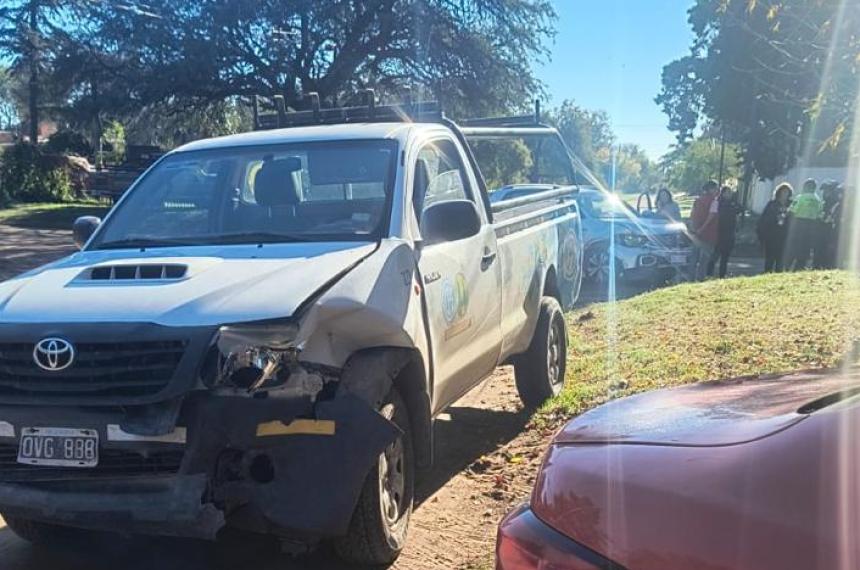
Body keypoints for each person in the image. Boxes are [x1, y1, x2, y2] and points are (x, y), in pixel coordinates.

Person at [785, 178, 823, 270]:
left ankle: (786, 267)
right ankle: (799, 268)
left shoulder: (800, 197)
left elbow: (791, 211)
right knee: (805, 249)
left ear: (805, 187)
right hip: (811, 226)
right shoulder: (818, 200)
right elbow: (820, 214)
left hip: (798, 224)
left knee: (793, 248)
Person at [757, 183, 792, 272]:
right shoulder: (772, 204)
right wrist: (775, 218)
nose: (785, 194)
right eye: (783, 192)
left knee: (780, 261)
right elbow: (764, 219)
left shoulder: (791, 205)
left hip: (784, 236)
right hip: (772, 236)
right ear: (778, 193)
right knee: (769, 259)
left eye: (787, 192)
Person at [689, 180, 720, 280]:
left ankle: (691, 277)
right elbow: (711, 217)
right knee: (704, 259)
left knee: (694, 257)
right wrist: (701, 229)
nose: (717, 190)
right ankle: (700, 278)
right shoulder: (714, 201)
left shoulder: (698, 200)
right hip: (708, 233)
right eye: (716, 188)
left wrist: (694, 229)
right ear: (711, 189)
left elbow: (692, 215)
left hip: (696, 232)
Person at [707, 186, 739, 278]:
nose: (730, 194)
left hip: (729, 233)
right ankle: (709, 273)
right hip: (720, 233)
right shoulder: (718, 203)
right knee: (715, 256)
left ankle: (722, 275)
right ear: (723, 193)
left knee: (725, 257)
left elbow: (739, 210)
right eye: (728, 192)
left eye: (730, 192)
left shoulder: (733, 204)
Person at [815, 180, 843, 269]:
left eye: (828, 190)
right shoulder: (823, 203)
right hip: (821, 232)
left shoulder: (838, 205)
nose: (825, 193)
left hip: (832, 233)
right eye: (824, 191)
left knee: (830, 253)